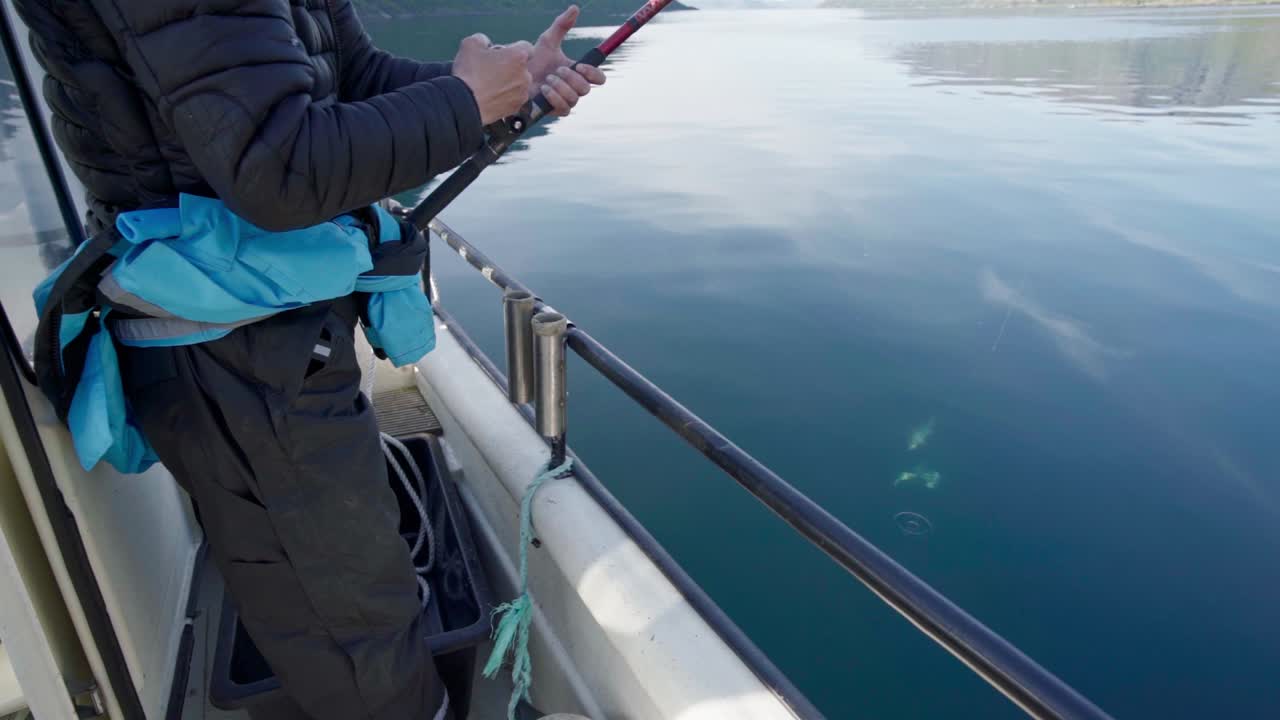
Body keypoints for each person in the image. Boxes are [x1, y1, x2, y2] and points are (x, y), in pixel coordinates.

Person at [11, 1, 605, 719]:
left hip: (277, 330)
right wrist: (465, 99)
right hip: (232, 352)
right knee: (348, 626)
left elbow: (350, 78)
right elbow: (279, 168)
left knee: (356, 591)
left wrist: (502, 95)